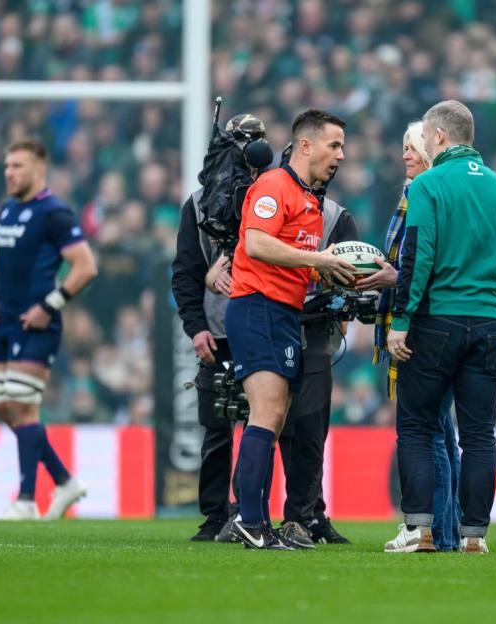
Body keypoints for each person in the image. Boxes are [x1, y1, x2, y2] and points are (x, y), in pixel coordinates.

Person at [383, 100, 496, 553]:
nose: (425, 144)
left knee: (416, 426)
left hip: (436, 324)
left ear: (440, 137)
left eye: (427, 137)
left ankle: (419, 530)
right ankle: (474, 537)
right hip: (488, 325)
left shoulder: (428, 185)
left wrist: (401, 320)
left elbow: (418, 254)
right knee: (479, 435)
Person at [225, 109, 356, 550]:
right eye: (334, 145)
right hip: (257, 307)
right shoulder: (274, 185)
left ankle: (255, 521)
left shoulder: (310, 201)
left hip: (282, 312)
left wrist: (338, 271)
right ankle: (249, 519)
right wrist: (320, 260)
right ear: (305, 145)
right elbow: (257, 243)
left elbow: (297, 263)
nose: (340, 155)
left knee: (275, 416)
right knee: (266, 413)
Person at [0, 138, 98, 520]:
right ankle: (64, 481)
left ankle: (27, 499)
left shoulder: (54, 213)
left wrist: (50, 305)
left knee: (23, 408)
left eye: (17, 166)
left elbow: (85, 267)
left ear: (38, 169)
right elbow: (3, 267)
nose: (9, 172)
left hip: (37, 324)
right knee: (4, 406)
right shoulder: (7, 211)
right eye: (6, 166)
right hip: (5, 322)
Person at [358, 121, 461, 551]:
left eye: (411, 147)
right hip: (436, 322)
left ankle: (433, 529)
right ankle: (451, 530)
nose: (404, 155)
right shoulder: (418, 192)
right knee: (444, 432)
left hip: (421, 325)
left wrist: (391, 278)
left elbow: (427, 266)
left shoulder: (425, 194)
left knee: (430, 432)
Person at [171, 113, 268, 542]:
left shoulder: (274, 196)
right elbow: (186, 273)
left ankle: (252, 513)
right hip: (218, 328)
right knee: (216, 426)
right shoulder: (196, 204)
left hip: (263, 323)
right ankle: (214, 515)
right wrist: (195, 328)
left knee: (265, 423)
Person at [277, 144, 359, 546]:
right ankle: (266, 513)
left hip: (312, 331)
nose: (338, 159)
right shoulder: (275, 200)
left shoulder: (337, 217)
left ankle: (305, 515)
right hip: (275, 324)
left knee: (307, 428)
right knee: (272, 423)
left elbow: (353, 278)